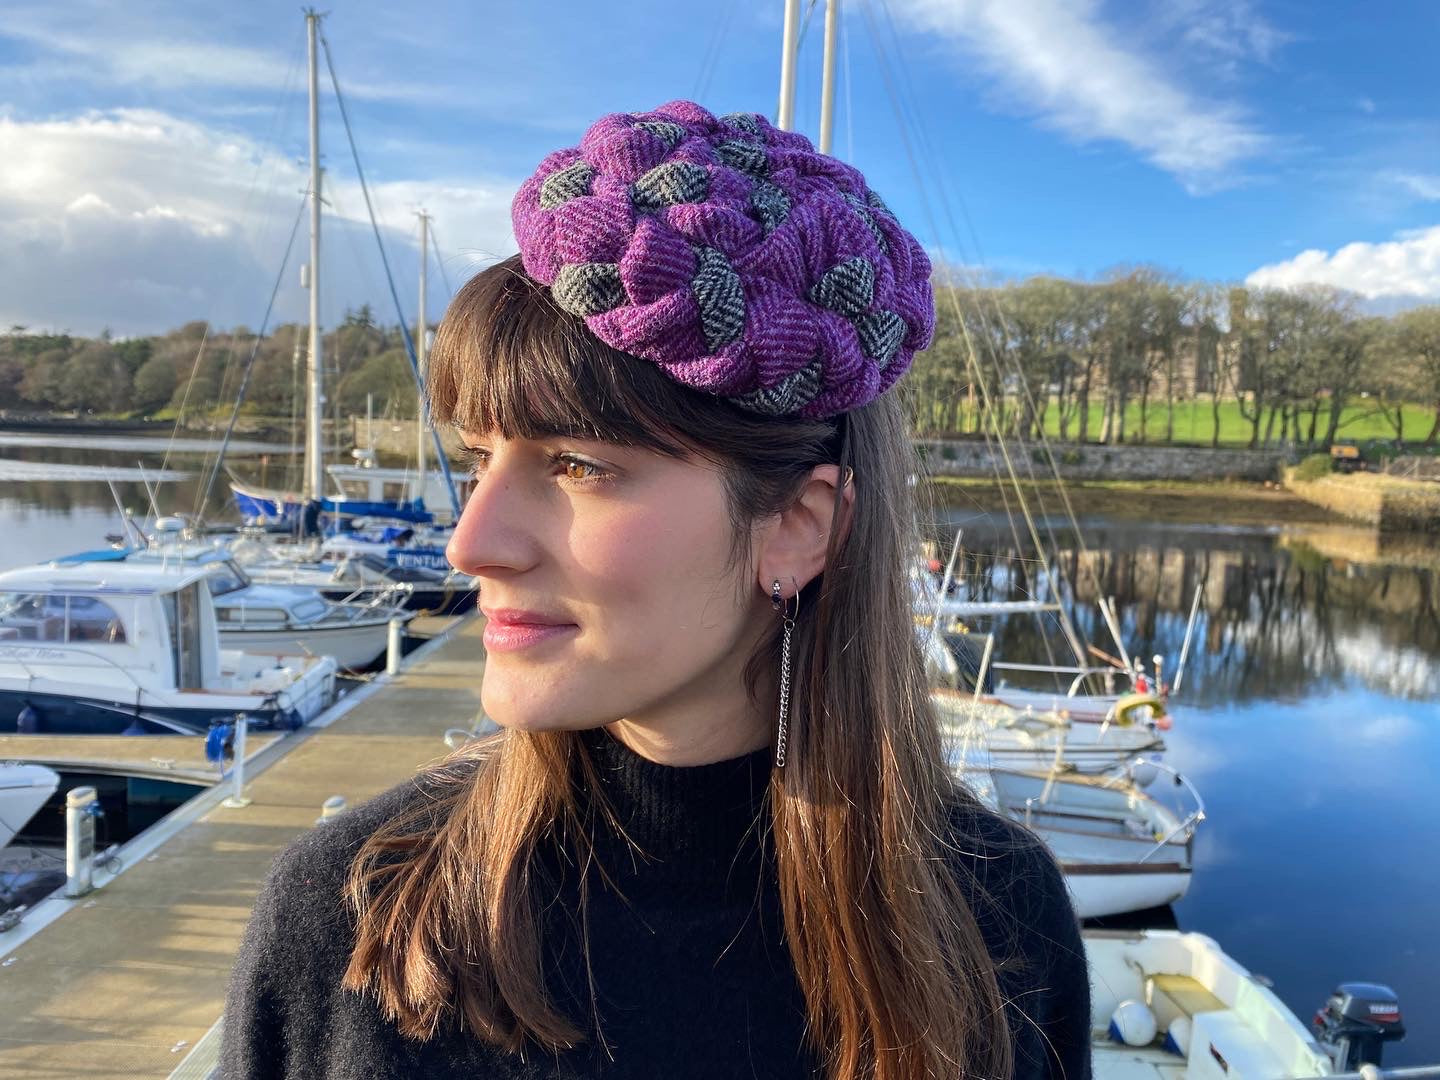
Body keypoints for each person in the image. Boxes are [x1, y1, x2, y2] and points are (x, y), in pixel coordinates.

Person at [220, 100, 1091, 1080]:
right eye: (477, 462)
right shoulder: (348, 924)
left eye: (579, 466)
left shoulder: (998, 927)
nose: (472, 545)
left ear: (798, 527)